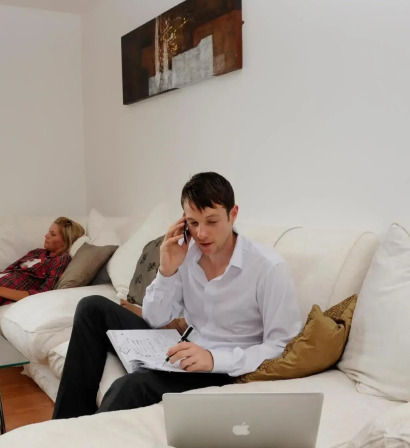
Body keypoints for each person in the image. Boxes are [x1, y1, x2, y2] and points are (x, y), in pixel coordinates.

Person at [52, 172, 302, 419]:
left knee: (129, 387)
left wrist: (214, 359)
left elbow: (282, 346)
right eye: (193, 223)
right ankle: (65, 425)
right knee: (92, 307)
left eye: (212, 221)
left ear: (233, 214)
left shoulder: (268, 267)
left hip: (222, 369)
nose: (201, 234)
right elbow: (155, 319)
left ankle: (84, 439)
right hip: (182, 347)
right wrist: (167, 270)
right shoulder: (186, 255)